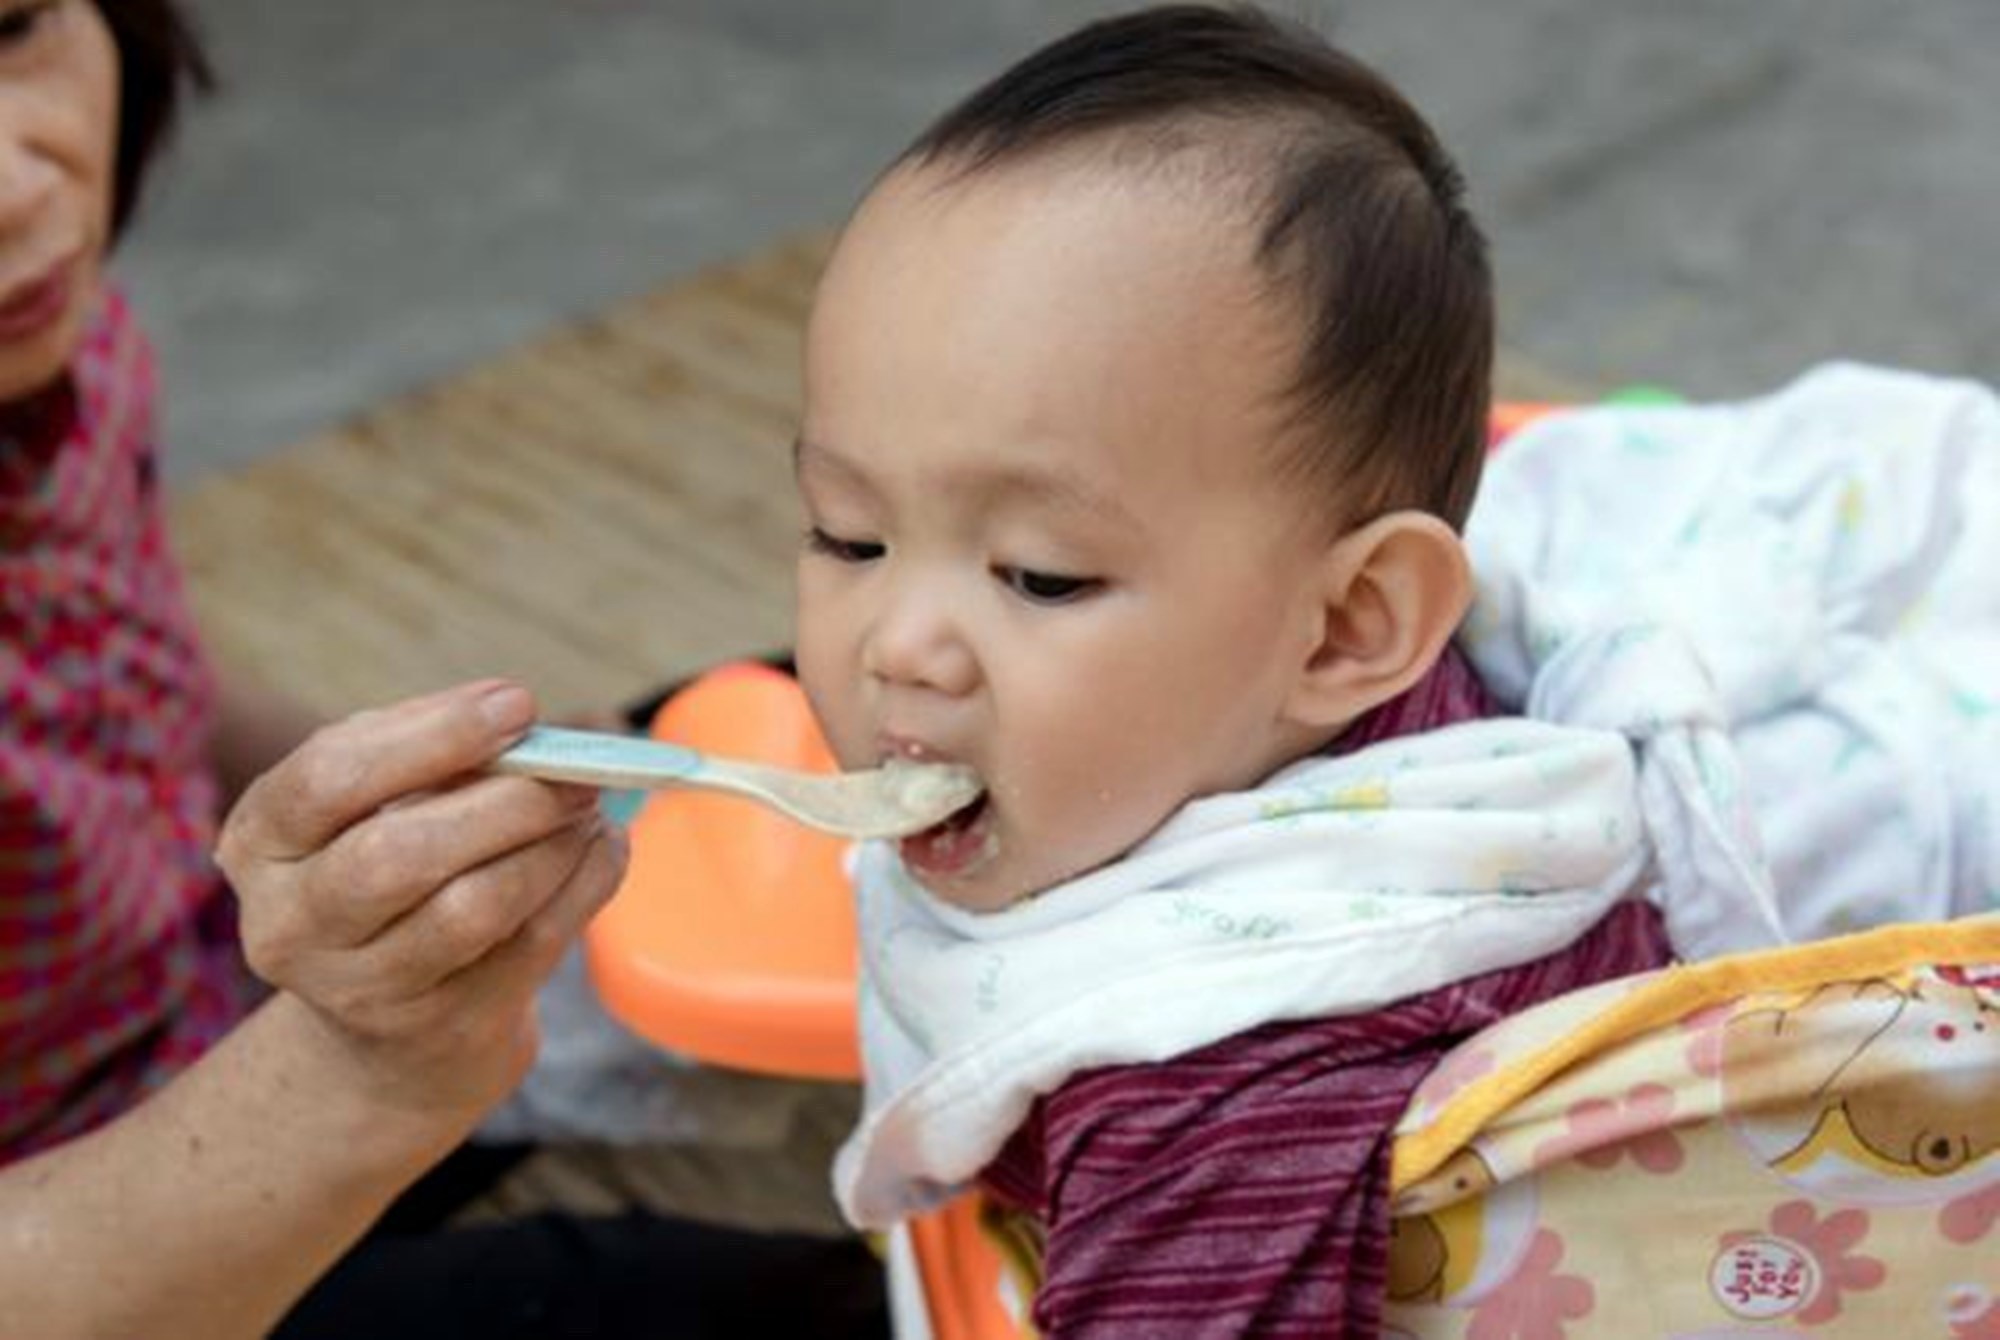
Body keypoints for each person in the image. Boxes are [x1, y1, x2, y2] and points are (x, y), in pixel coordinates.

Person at [786, 6, 1685, 1334]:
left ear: (1350, 628)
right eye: (847, 535)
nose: (897, 644)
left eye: (1040, 576)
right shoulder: (1284, 709)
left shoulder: (1218, 1093)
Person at [0, 4, 886, 1337]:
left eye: (16, 28)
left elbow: (132, 672)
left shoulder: (55, 332)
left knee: (847, 720)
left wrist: (404, 788)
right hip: (94, 1229)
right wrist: (361, 1071)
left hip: (218, 986)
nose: (18, 190)